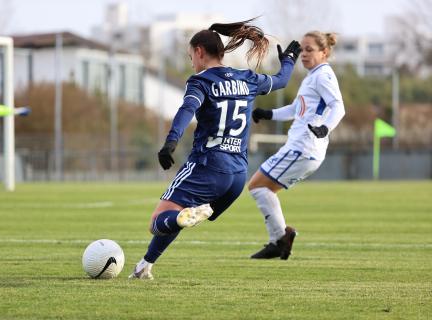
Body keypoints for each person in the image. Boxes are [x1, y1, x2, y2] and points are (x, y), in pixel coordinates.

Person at [128, 18, 302, 280]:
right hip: (236, 176)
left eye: (190, 56)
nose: (191, 62)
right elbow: (281, 80)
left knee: (158, 221)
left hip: (207, 166)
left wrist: (171, 141)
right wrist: (288, 59)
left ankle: (165, 237)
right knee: (181, 215)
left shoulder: (201, 81)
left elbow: (187, 109)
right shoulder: (248, 78)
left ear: (199, 51)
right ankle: (144, 266)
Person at [248, 31, 345, 259]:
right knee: (263, 189)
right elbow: (295, 110)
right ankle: (281, 238)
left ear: (325, 52)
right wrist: (268, 113)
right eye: (302, 49)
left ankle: (280, 239)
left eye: (310, 49)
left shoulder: (323, 76)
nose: (303, 54)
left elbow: (338, 106)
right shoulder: (313, 76)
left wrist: (326, 127)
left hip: (303, 148)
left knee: (256, 186)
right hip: (303, 150)